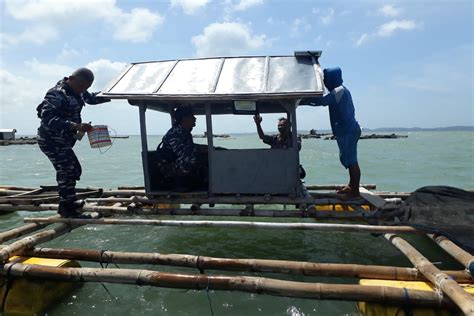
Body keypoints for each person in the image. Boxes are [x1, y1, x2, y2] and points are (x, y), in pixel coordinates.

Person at [37, 68, 110, 218]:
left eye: (86, 88)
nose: (83, 90)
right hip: (50, 140)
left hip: (63, 140)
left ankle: (69, 201)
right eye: (82, 86)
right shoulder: (57, 94)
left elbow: (92, 99)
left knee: (73, 170)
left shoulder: (80, 90)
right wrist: (75, 126)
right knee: (67, 170)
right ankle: (67, 209)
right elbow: (47, 119)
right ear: (71, 79)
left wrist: (112, 95)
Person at [299, 67, 362, 199]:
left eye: (325, 79)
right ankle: (351, 185)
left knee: (352, 161)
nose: (324, 82)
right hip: (346, 131)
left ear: (332, 78)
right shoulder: (339, 90)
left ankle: (355, 192)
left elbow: (322, 101)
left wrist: (302, 99)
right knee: (348, 159)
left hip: (348, 131)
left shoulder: (339, 90)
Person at [158, 107, 208, 191]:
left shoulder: (186, 132)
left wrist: (210, 148)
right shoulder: (174, 134)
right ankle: (180, 184)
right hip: (169, 169)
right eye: (191, 116)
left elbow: (191, 147)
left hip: (178, 165)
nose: (195, 118)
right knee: (191, 157)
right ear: (184, 118)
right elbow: (185, 153)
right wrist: (203, 149)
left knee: (209, 153)